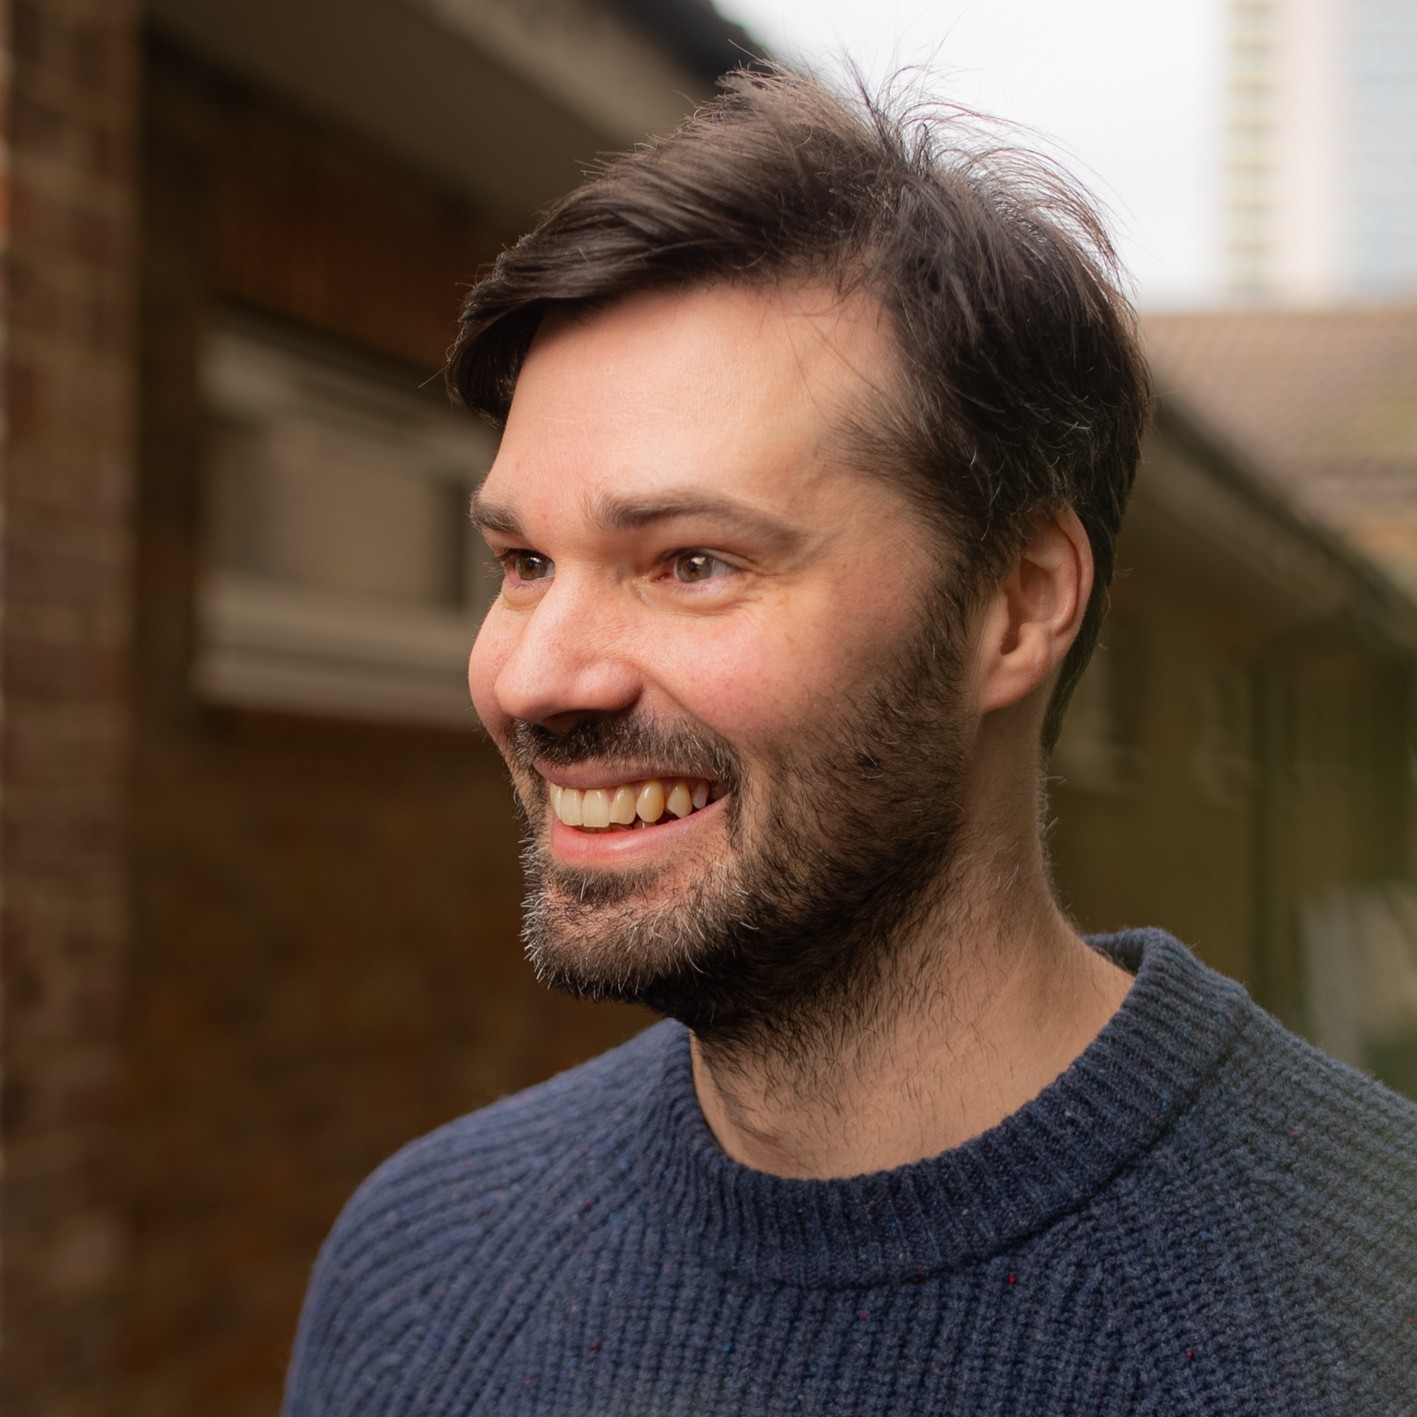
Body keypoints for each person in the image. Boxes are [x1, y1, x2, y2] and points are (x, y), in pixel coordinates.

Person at [282, 66, 1417, 1414]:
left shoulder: (1367, 1316)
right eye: (524, 562)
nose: (532, 677)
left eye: (692, 561)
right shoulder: (419, 1267)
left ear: (1015, 605)